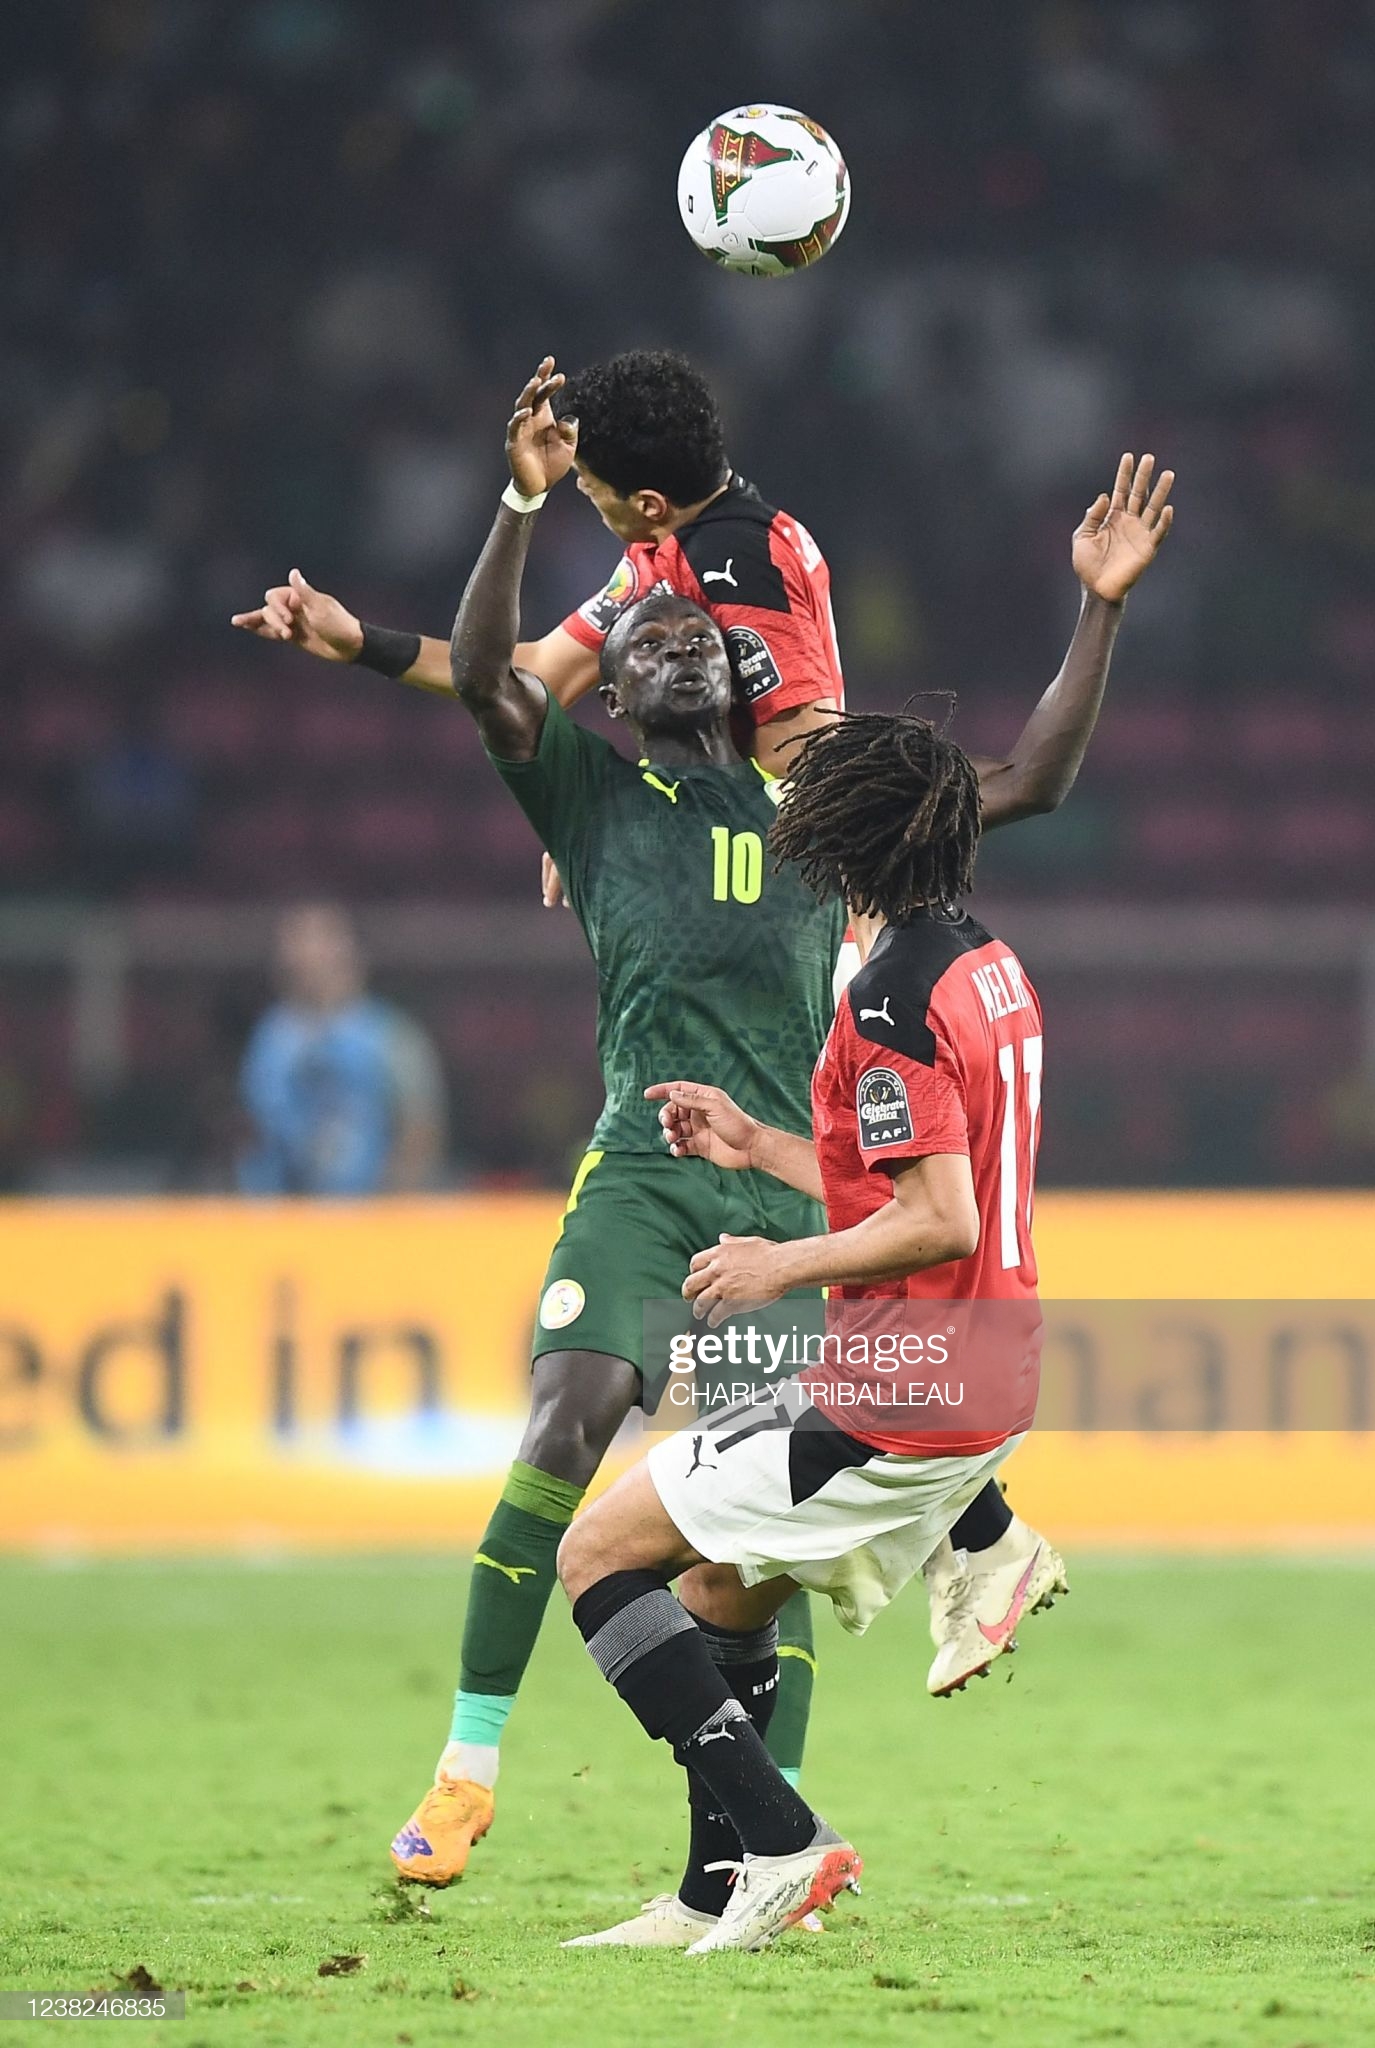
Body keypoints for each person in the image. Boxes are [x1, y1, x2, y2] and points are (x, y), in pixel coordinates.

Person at [233, 353, 1173, 1891]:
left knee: (743, 1560)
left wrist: (1099, 605)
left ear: (732, 684)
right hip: (649, 1173)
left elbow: (1029, 778)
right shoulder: (603, 785)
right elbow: (505, 673)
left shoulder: (815, 819)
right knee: (567, 1430)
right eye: (627, 630)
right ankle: (480, 1772)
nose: (633, 629)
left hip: (785, 1204)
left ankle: (752, 1860)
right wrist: (397, 605)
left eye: (658, 618)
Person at [555, 700, 1050, 1954]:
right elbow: (907, 1174)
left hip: (901, 1383)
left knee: (598, 1552)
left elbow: (935, 1216)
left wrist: (781, 1257)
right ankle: (716, 1887)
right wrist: (759, 1142)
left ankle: (785, 1839)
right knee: (722, 1585)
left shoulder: (886, 995)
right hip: (975, 1363)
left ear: (850, 836)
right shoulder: (978, 960)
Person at [238, 903, 445, 1195]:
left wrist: (389, 1207)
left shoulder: (391, 1035)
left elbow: (420, 1127)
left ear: (351, 951)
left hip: (363, 1219)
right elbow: (250, 1126)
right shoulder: (268, 1036)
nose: (307, 952)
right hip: (275, 1219)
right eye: (297, 939)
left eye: (320, 938)